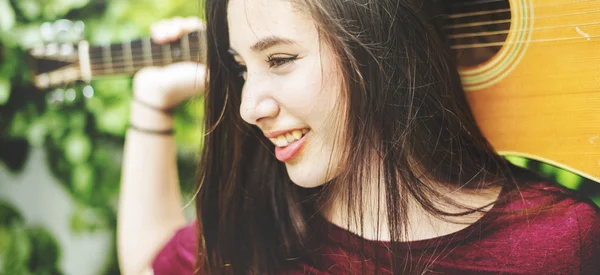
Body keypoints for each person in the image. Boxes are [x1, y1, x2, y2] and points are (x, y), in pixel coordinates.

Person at [117, 1, 600, 274]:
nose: (247, 108)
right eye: (242, 68)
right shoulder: (268, 223)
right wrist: (152, 98)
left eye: (280, 60)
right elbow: (147, 265)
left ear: (383, 49)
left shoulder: (560, 241)